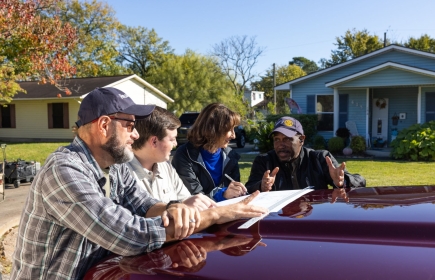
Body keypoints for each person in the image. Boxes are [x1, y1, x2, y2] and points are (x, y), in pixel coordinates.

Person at [11, 87, 267, 280]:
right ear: (103, 125)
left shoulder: (116, 166)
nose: (136, 134)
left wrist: (173, 209)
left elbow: (145, 204)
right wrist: (214, 215)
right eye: (130, 125)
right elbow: (130, 235)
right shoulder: (64, 171)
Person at [127, 106, 217, 211]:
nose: (175, 144)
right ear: (154, 141)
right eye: (172, 139)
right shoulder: (121, 174)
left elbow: (185, 199)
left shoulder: (166, 167)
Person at [246, 116, 366, 193]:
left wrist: (343, 181)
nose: (280, 145)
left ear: (301, 140)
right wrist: (261, 186)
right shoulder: (264, 161)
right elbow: (248, 190)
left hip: (313, 220)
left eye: (287, 139)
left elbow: (360, 181)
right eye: (277, 139)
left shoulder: (320, 158)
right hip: (277, 222)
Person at [172, 103, 247, 202]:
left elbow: (235, 194)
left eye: (234, 129)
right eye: (229, 130)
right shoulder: (184, 155)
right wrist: (222, 195)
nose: (234, 136)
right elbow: (194, 198)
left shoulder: (230, 156)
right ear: (213, 130)